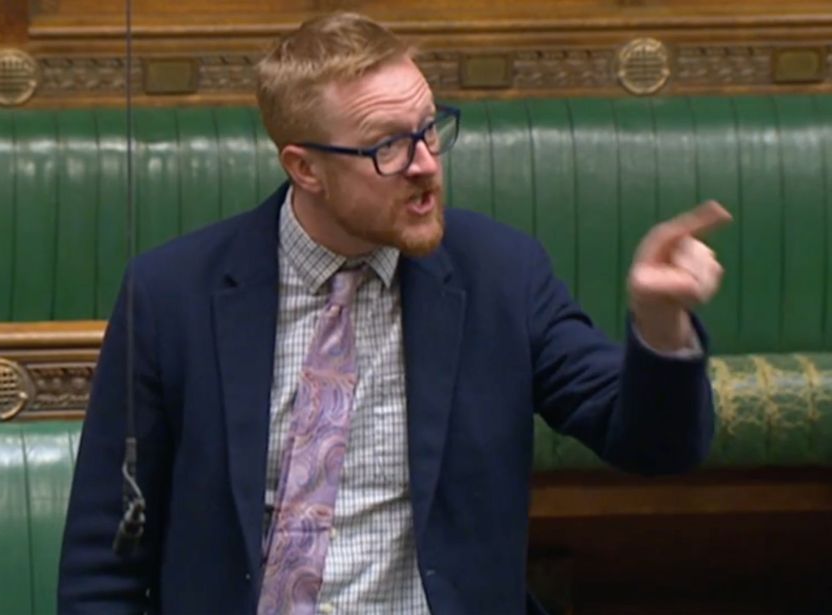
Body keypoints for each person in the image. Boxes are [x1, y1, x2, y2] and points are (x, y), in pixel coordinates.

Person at [58, 12, 730, 614]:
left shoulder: (501, 273)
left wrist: (660, 321)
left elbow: (654, 444)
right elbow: (103, 561)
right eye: (388, 146)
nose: (427, 165)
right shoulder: (172, 295)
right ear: (306, 168)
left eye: (430, 129)